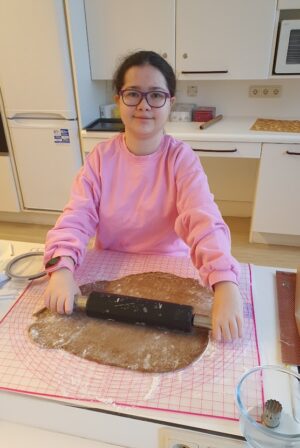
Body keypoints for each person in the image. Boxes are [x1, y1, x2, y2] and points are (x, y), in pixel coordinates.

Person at [43, 50, 243, 341]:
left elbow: (204, 221)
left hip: (169, 269)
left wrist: (225, 282)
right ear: (118, 100)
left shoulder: (181, 159)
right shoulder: (100, 158)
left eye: (156, 95)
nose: (144, 105)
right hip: (111, 269)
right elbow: (76, 216)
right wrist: (60, 267)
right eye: (133, 93)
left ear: (170, 102)